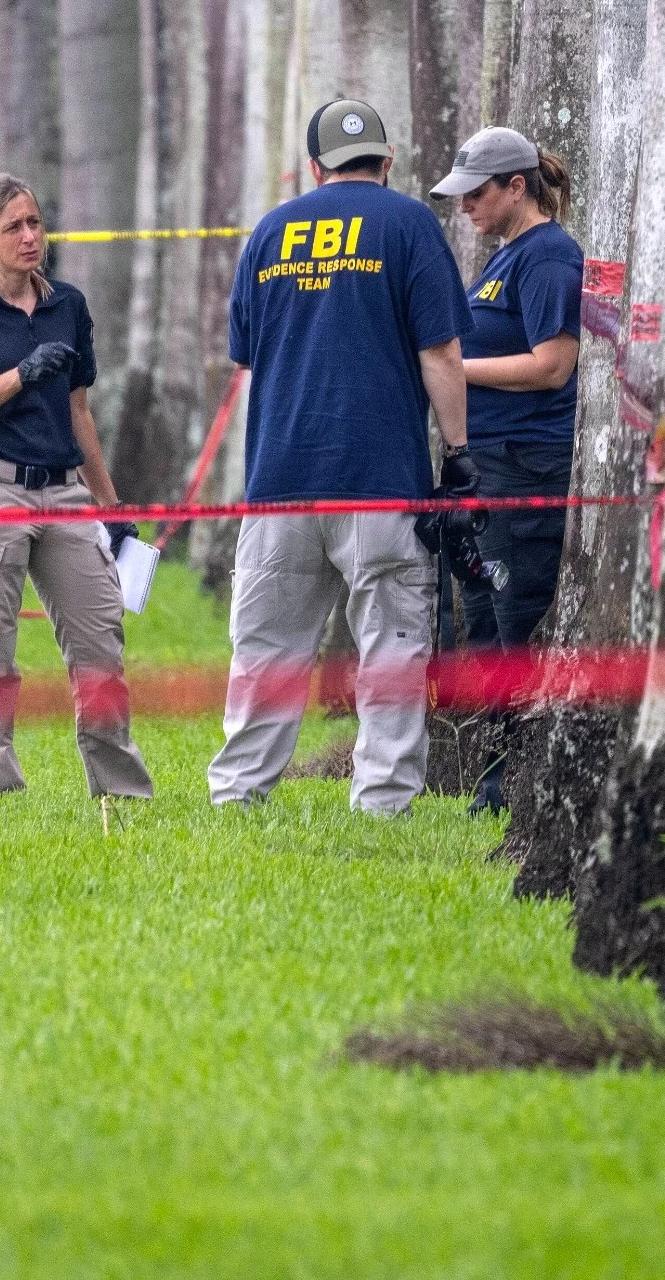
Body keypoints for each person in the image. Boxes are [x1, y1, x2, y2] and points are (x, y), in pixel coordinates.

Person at [206, 99, 476, 815]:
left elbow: (245, 355)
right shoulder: (410, 224)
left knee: (266, 652)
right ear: (387, 163)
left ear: (314, 167)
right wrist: (459, 453)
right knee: (391, 649)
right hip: (382, 481)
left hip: (280, 481)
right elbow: (441, 354)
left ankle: (237, 795)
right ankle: (382, 801)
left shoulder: (268, 234)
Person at [0, 172, 153, 828]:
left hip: (65, 492)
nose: (29, 237)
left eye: (35, 223)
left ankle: (120, 789)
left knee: (100, 647)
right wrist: (18, 376)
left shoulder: (67, 307)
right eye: (13, 227)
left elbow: (81, 412)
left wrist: (109, 504)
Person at [429, 126, 582, 813]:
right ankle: (491, 782)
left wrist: (451, 369)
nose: (465, 206)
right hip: (487, 469)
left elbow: (553, 364)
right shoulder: (503, 258)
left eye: (476, 193)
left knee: (513, 619)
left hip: (525, 469)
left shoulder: (547, 258)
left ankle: (509, 784)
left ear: (516, 186)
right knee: (486, 622)